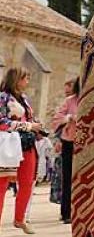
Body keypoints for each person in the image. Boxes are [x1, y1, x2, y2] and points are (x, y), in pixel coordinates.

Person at [1, 67, 44, 234]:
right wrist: (28, 125)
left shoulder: (24, 98)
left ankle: (20, 219)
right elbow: (1, 122)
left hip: (27, 143)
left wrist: (37, 127)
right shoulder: (3, 97)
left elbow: (29, 118)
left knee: (27, 183)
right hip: (9, 145)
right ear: (17, 79)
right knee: (2, 185)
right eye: (25, 78)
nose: (27, 82)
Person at [52, 78, 80, 224]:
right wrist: (69, 118)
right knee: (67, 179)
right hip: (69, 143)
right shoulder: (70, 101)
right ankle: (66, 213)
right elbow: (56, 119)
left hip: (86, 144)